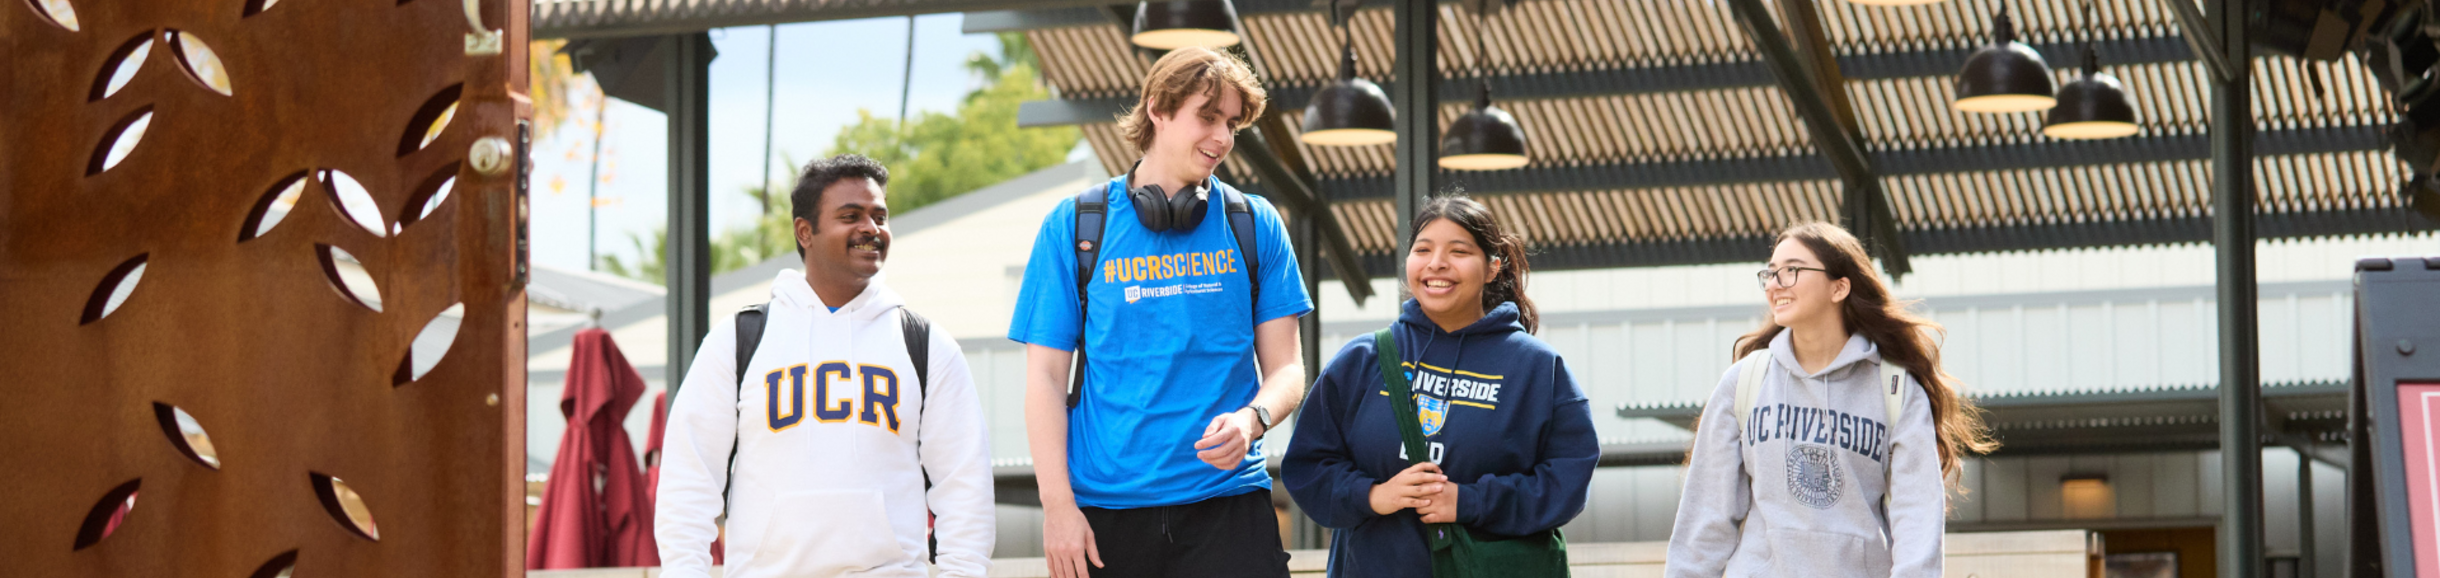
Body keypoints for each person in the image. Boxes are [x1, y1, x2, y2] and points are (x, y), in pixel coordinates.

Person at [1007, 46, 1311, 578]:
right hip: (1107, 513)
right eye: (1208, 117)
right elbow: (1046, 380)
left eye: (1233, 123)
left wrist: (1252, 419)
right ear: (1158, 109)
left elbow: (1287, 369)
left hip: (1229, 506)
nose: (1222, 138)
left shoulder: (1254, 224)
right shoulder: (1075, 227)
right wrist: (1057, 508)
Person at [655, 155, 995, 578]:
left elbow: (965, 486)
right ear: (805, 232)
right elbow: (688, 481)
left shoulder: (925, 344)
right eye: (851, 216)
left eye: (879, 216)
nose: (871, 229)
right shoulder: (738, 340)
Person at [1282, 195, 1598, 577]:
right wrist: (1374, 495)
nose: (1436, 264)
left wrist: (1469, 501)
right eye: (1423, 249)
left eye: (1459, 251)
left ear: (1492, 268)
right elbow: (1307, 466)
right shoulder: (1363, 360)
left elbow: (1567, 480)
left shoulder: (1536, 368)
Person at [1663, 222, 1997, 578]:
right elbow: (1705, 521)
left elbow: (1916, 520)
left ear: (1839, 287)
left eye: (1791, 270)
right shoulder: (1744, 382)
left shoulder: (1895, 387)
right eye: (1771, 273)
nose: (1775, 284)